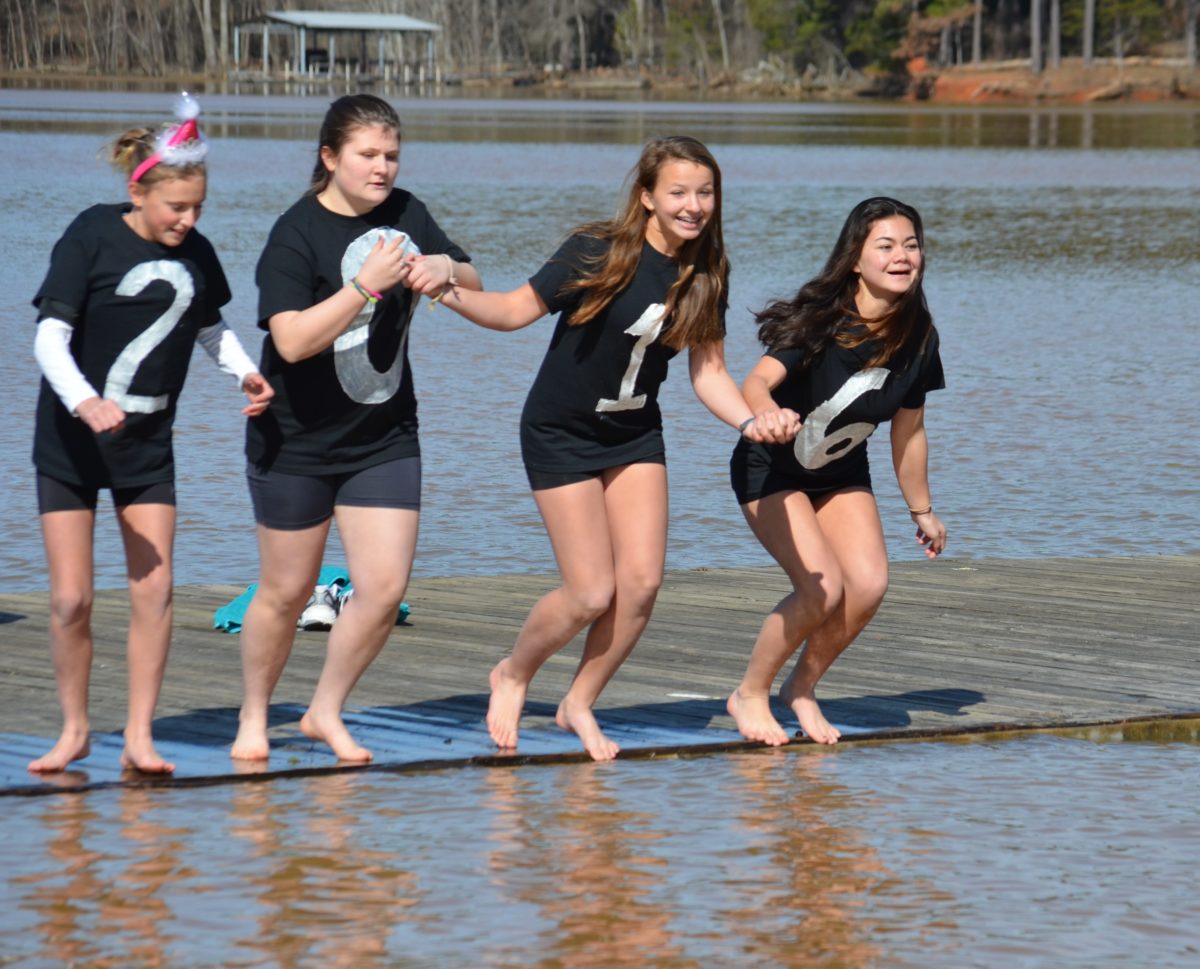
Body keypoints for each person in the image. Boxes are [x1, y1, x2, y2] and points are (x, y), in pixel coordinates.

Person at [435, 135, 795, 761]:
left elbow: (709, 372)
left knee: (642, 584)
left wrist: (748, 421)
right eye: (678, 192)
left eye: (705, 193)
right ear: (647, 196)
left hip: (633, 435)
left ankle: (579, 703)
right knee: (589, 592)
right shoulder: (595, 250)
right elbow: (513, 311)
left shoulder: (708, 270)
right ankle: (513, 674)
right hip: (560, 431)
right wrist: (446, 291)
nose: (693, 205)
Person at [230, 94, 482, 764]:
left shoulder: (408, 213)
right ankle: (254, 716)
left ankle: (325, 710)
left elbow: (474, 278)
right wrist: (365, 287)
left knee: (385, 590)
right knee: (285, 592)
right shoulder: (295, 233)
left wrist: (447, 269)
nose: (382, 168)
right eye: (367, 154)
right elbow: (290, 340)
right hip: (296, 440)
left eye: (391, 155)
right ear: (329, 157)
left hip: (384, 436)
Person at [28, 95, 273, 774]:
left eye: (197, 208)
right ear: (140, 191)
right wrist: (84, 401)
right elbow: (49, 337)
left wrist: (246, 374)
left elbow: (209, 328)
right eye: (176, 208)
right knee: (71, 598)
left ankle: (139, 736)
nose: (187, 220)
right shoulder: (90, 234)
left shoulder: (197, 252)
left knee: (155, 592)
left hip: (145, 447)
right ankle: (75, 730)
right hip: (70, 442)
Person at [726, 196, 948, 747]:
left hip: (840, 473)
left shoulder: (919, 335)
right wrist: (764, 412)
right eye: (886, 246)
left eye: (911, 245)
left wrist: (921, 509)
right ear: (855, 258)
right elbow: (756, 382)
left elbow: (909, 432)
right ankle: (749, 693)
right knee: (820, 587)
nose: (902, 256)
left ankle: (800, 689)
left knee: (868, 584)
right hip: (771, 469)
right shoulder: (820, 321)